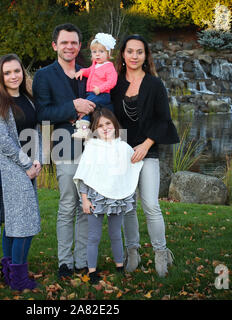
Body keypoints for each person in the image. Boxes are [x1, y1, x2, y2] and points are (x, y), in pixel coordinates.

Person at [111, 35, 180, 277]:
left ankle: (161, 253)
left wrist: (146, 144)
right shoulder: (115, 84)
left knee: (150, 204)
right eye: (129, 51)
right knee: (128, 206)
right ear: (123, 54)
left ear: (145, 56)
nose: (134, 56)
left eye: (139, 52)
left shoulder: (154, 84)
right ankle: (133, 253)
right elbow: (107, 117)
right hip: (122, 154)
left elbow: (164, 120)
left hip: (147, 152)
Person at [32, 23, 96, 279]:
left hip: (93, 149)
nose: (69, 47)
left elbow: (100, 102)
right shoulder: (44, 76)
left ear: (79, 46)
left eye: (74, 43)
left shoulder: (88, 72)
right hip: (65, 147)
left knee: (86, 207)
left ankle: (82, 261)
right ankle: (65, 263)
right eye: (64, 42)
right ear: (54, 45)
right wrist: (73, 106)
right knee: (68, 203)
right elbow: (42, 114)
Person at [0, 53, 42, 291]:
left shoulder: (28, 98)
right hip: (11, 170)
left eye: (16, 71)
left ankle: (8, 271)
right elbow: (4, 141)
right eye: (7, 72)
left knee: (13, 222)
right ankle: (19, 279)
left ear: (22, 72)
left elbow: (35, 130)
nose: (13, 76)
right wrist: (27, 164)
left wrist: (38, 159)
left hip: (29, 165)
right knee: (24, 224)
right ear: (0, 76)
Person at [73, 108, 143, 284]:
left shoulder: (124, 147)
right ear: (95, 129)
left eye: (108, 124)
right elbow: (84, 175)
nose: (105, 128)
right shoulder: (91, 147)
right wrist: (84, 199)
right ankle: (92, 271)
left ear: (115, 125)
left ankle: (119, 266)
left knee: (115, 234)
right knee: (94, 236)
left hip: (117, 198)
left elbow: (132, 166)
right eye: (100, 125)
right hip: (95, 198)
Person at [72, 33, 118, 140]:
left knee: (85, 107)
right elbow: (89, 72)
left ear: (108, 53)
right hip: (93, 93)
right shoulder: (95, 65)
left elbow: (112, 81)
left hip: (102, 94)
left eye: (101, 52)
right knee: (87, 109)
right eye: (94, 52)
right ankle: (84, 130)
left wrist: (100, 88)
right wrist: (82, 72)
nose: (97, 54)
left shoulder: (108, 67)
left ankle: (83, 129)